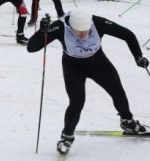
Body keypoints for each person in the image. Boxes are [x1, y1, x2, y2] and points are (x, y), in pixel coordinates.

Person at [27, 10, 148, 155]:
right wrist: (42, 32)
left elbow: (128, 35)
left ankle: (128, 122)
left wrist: (138, 57)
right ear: (71, 27)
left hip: (98, 63)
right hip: (73, 67)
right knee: (77, 102)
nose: (84, 35)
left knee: (118, 92)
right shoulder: (60, 26)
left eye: (86, 31)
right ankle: (67, 137)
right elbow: (31, 48)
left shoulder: (97, 22)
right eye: (79, 32)